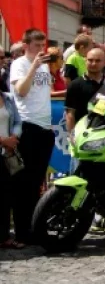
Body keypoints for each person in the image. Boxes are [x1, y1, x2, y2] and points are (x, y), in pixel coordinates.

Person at [10, 28, 56, 244]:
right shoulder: (19, 64)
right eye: (37, 45)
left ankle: (33, 227)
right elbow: (21, 90)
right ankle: (21, 232)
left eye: (42, 45)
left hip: (45, 127)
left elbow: (45, 92)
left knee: (37, 181)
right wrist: (34, 67)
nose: (41, 49)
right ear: (26, 45)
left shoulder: (45, 65)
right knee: (24, 183)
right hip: (28, 126)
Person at [0, 88, 25, 249]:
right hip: (3, 145)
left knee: (5, 196)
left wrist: (14, 138)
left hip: (6, 154)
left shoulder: (7, 98)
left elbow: (17, 121)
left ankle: (3, 236)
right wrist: (3, 140)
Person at [64, 47, 105, 133]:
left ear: (104, 63)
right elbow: (70, 114)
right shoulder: (75, 85)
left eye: (98, 61)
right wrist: (71, 135)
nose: (93, 63)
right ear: (85, 61)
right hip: (83, 134)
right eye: (90, 60)